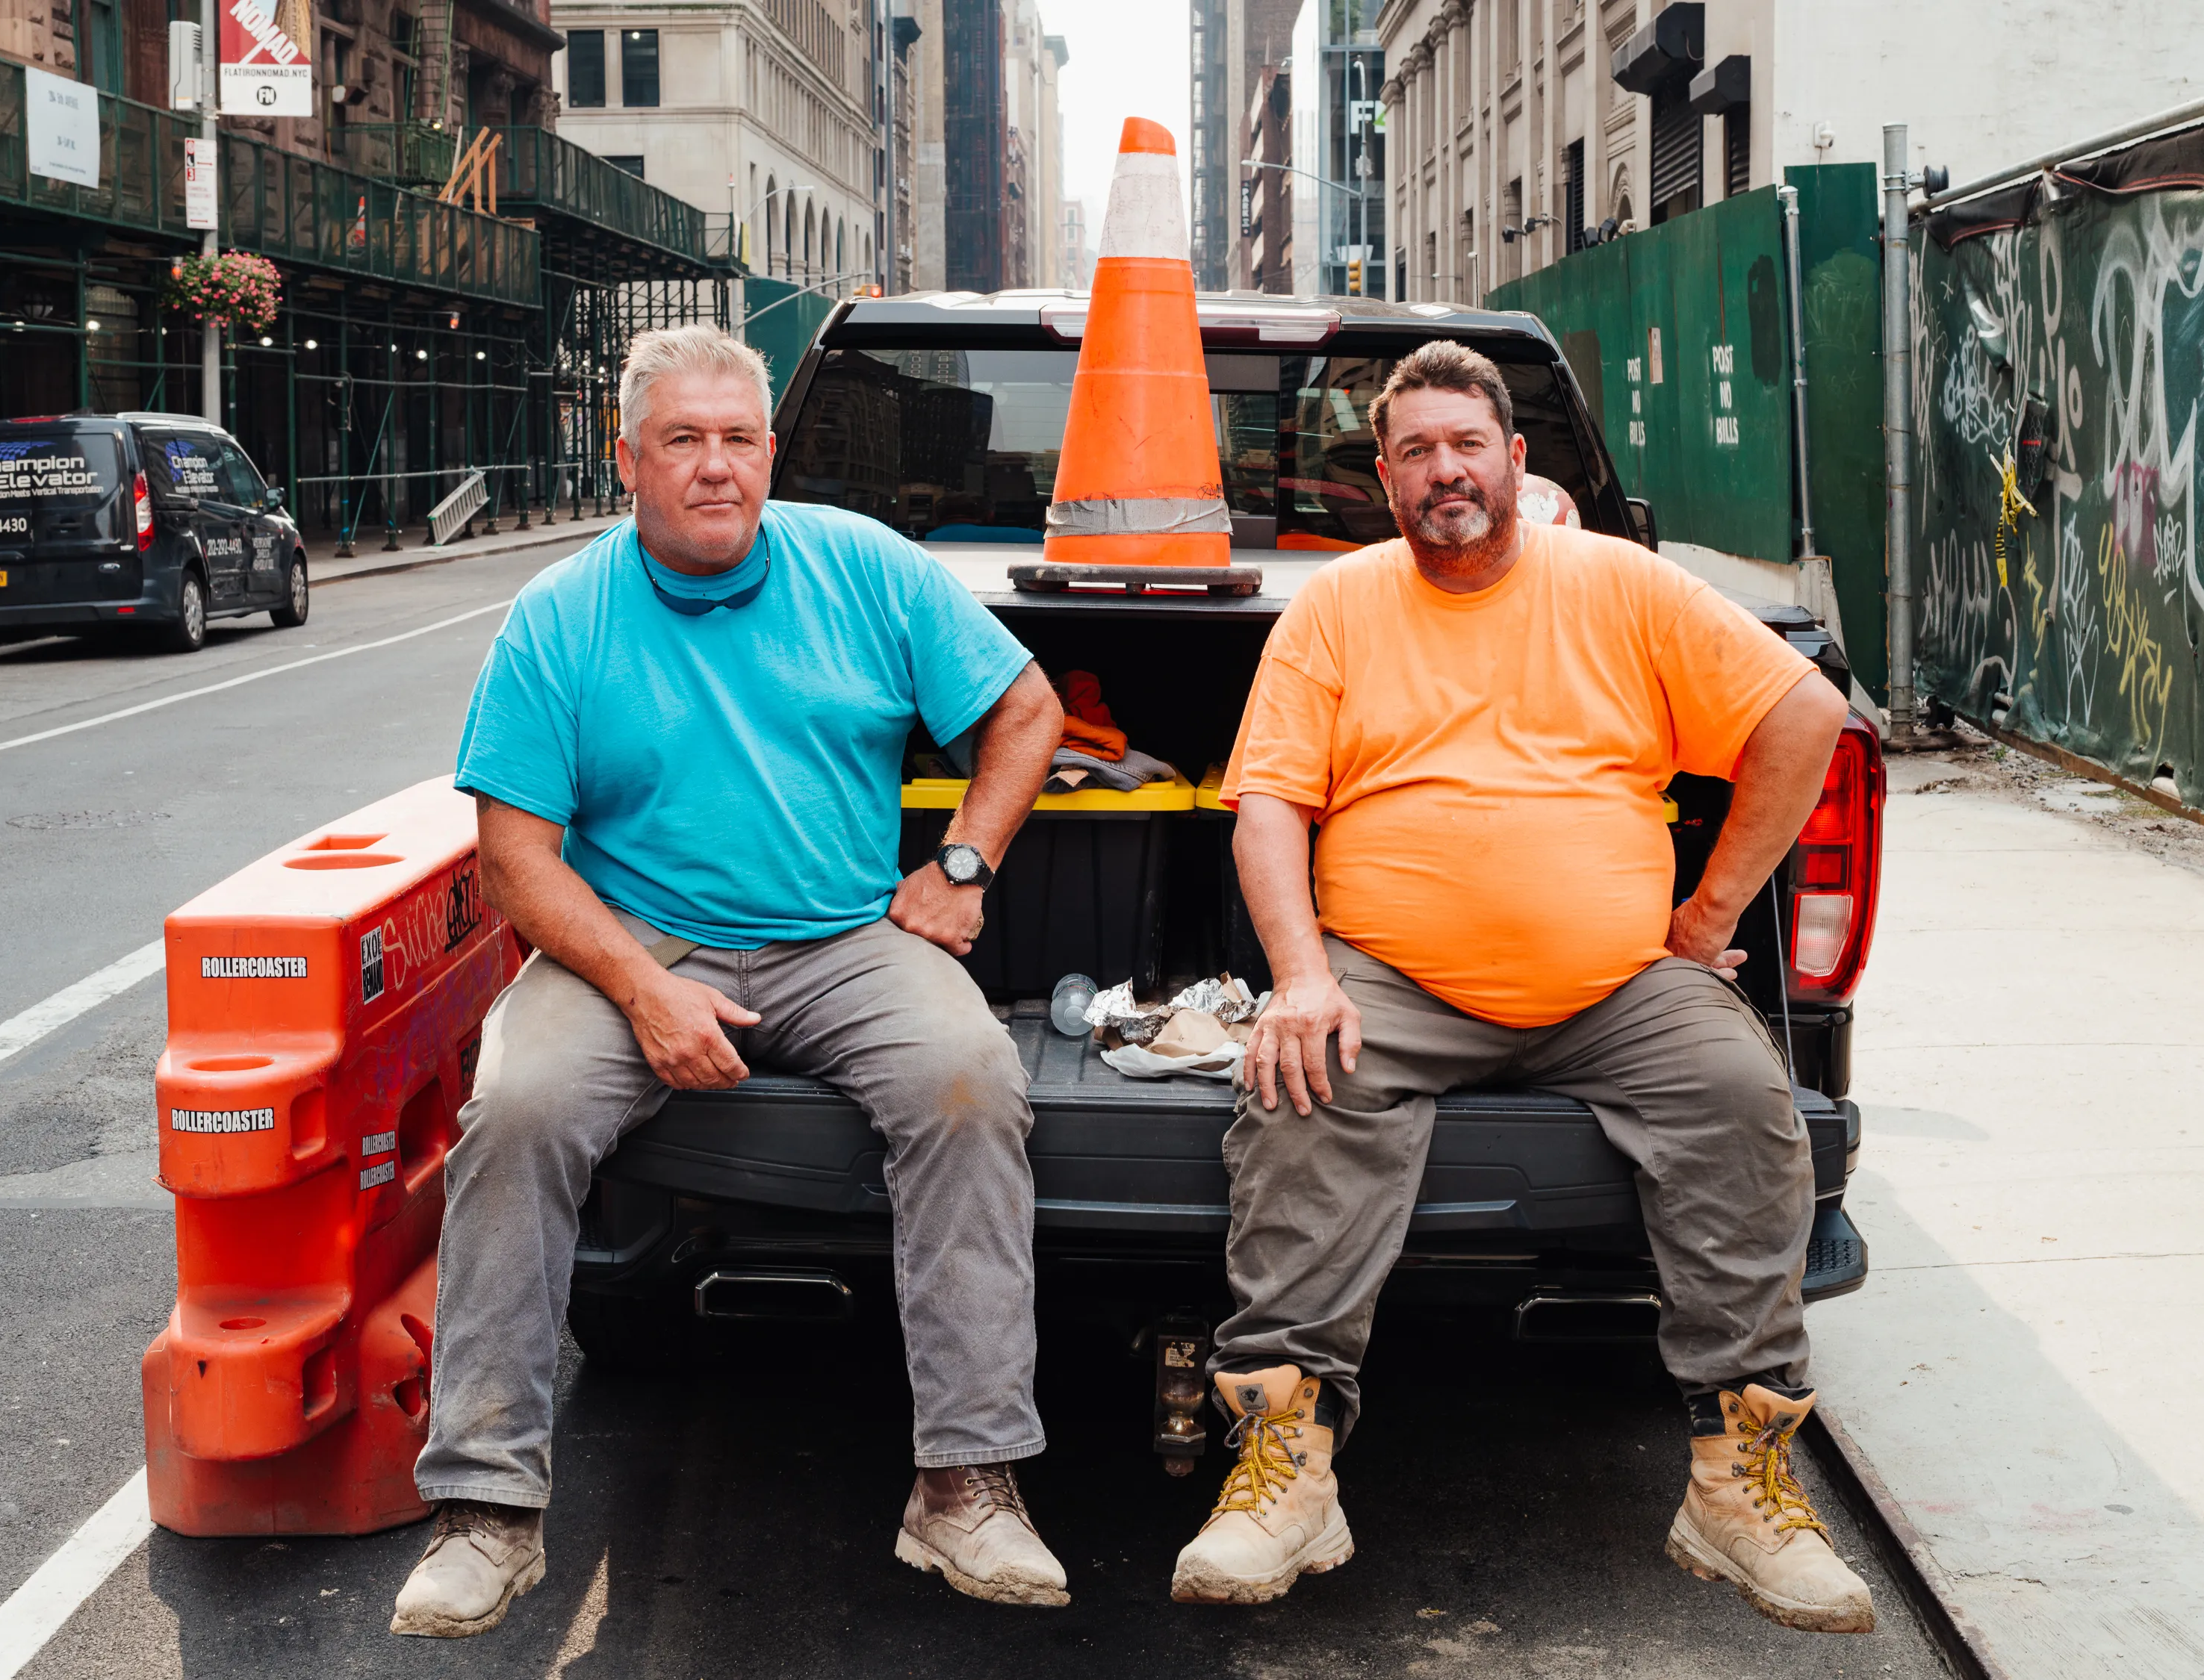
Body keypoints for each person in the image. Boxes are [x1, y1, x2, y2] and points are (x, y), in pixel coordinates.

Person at [1170, 340, 1874, 1635]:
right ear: (1384, 481)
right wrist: (1303, 978)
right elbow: (1267, 804)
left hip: (1614, 981)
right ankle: (1288, 1472)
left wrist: (1709, 912)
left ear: (1516, 461)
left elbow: (1805, 714)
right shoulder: (1336, 608)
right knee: (1298, 1087)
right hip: (1395, 978)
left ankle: (1737, 1484)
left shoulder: (1619, 583)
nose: (1447, 469)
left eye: (1468, 443)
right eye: (1418, 451)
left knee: (1741, 1098)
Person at [390, 324, 1070, 1638]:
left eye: (740, 438)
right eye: (684, 441)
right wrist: (645, 991)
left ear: (773, 450)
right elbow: (517, 862)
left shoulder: (863, 568)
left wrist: (966, 863)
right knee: (517, 1105)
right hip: (628, 940)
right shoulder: (562, 616)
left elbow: (1029, 706)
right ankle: (487, 1509)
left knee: (972, 1079)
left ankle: (966, 1482)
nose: (717, 467)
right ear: (629, 459)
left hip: (838, 935)